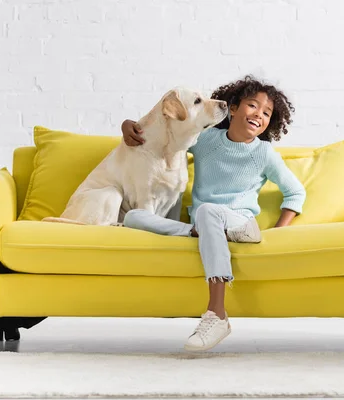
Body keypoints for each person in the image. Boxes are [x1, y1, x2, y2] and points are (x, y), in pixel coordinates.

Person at [121, 75, 306, 352]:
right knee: (132, 217)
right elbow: (168, 134)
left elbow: (296, 193)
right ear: (232, 109)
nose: (259, 115)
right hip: (204, 225)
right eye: (252, 106)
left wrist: (279, 231)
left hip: (240, 222)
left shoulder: (264, 153)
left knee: (207, 211)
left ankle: (217, 313)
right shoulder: (205, 140)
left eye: (266, 113)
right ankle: (194, 231)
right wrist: (128, 126)